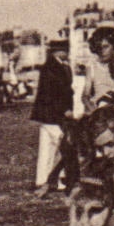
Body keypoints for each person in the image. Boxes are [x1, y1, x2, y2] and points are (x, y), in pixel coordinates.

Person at [30, 40, 76, 197]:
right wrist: (65, 110)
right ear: (59, 51)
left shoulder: (57, 66)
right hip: (53, 114)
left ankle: (44, 180)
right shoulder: (51, 68)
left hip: (49, 114)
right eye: (66, 50)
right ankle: (59, 178)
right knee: (63, 144)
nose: (68, 52)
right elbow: (52, 93)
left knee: (47, 148)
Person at [82, 27, 114, 111]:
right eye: (99, 47)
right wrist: (93, 110)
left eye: (106, 47)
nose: (102, 51)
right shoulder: (92, 67)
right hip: (99, 110)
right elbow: (85, 96)